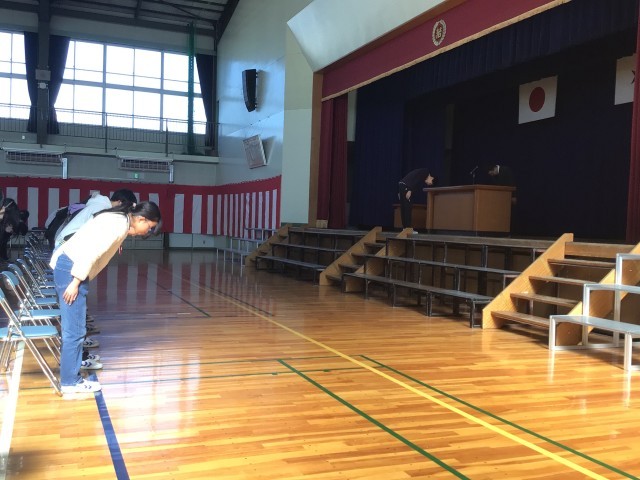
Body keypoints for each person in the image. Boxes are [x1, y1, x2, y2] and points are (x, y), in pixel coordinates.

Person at [51, 201, 161, 395]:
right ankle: (70, 382)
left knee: (75, 329)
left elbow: (98, 233)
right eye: (149, 227)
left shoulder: (119, 220)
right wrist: (75, 282)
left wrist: (118, 241)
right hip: (73, 271)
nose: (148, 231)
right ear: (141, 219)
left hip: (68, 266)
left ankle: (71, 377)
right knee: (74, 331)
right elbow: (90, 251)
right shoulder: (117, 226)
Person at [55, 189, 138, 248]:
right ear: (120, 202)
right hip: (66, 243)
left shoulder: (100, 205)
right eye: (126, 208)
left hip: (66, 242)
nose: (125, 212)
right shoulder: (101, 208)